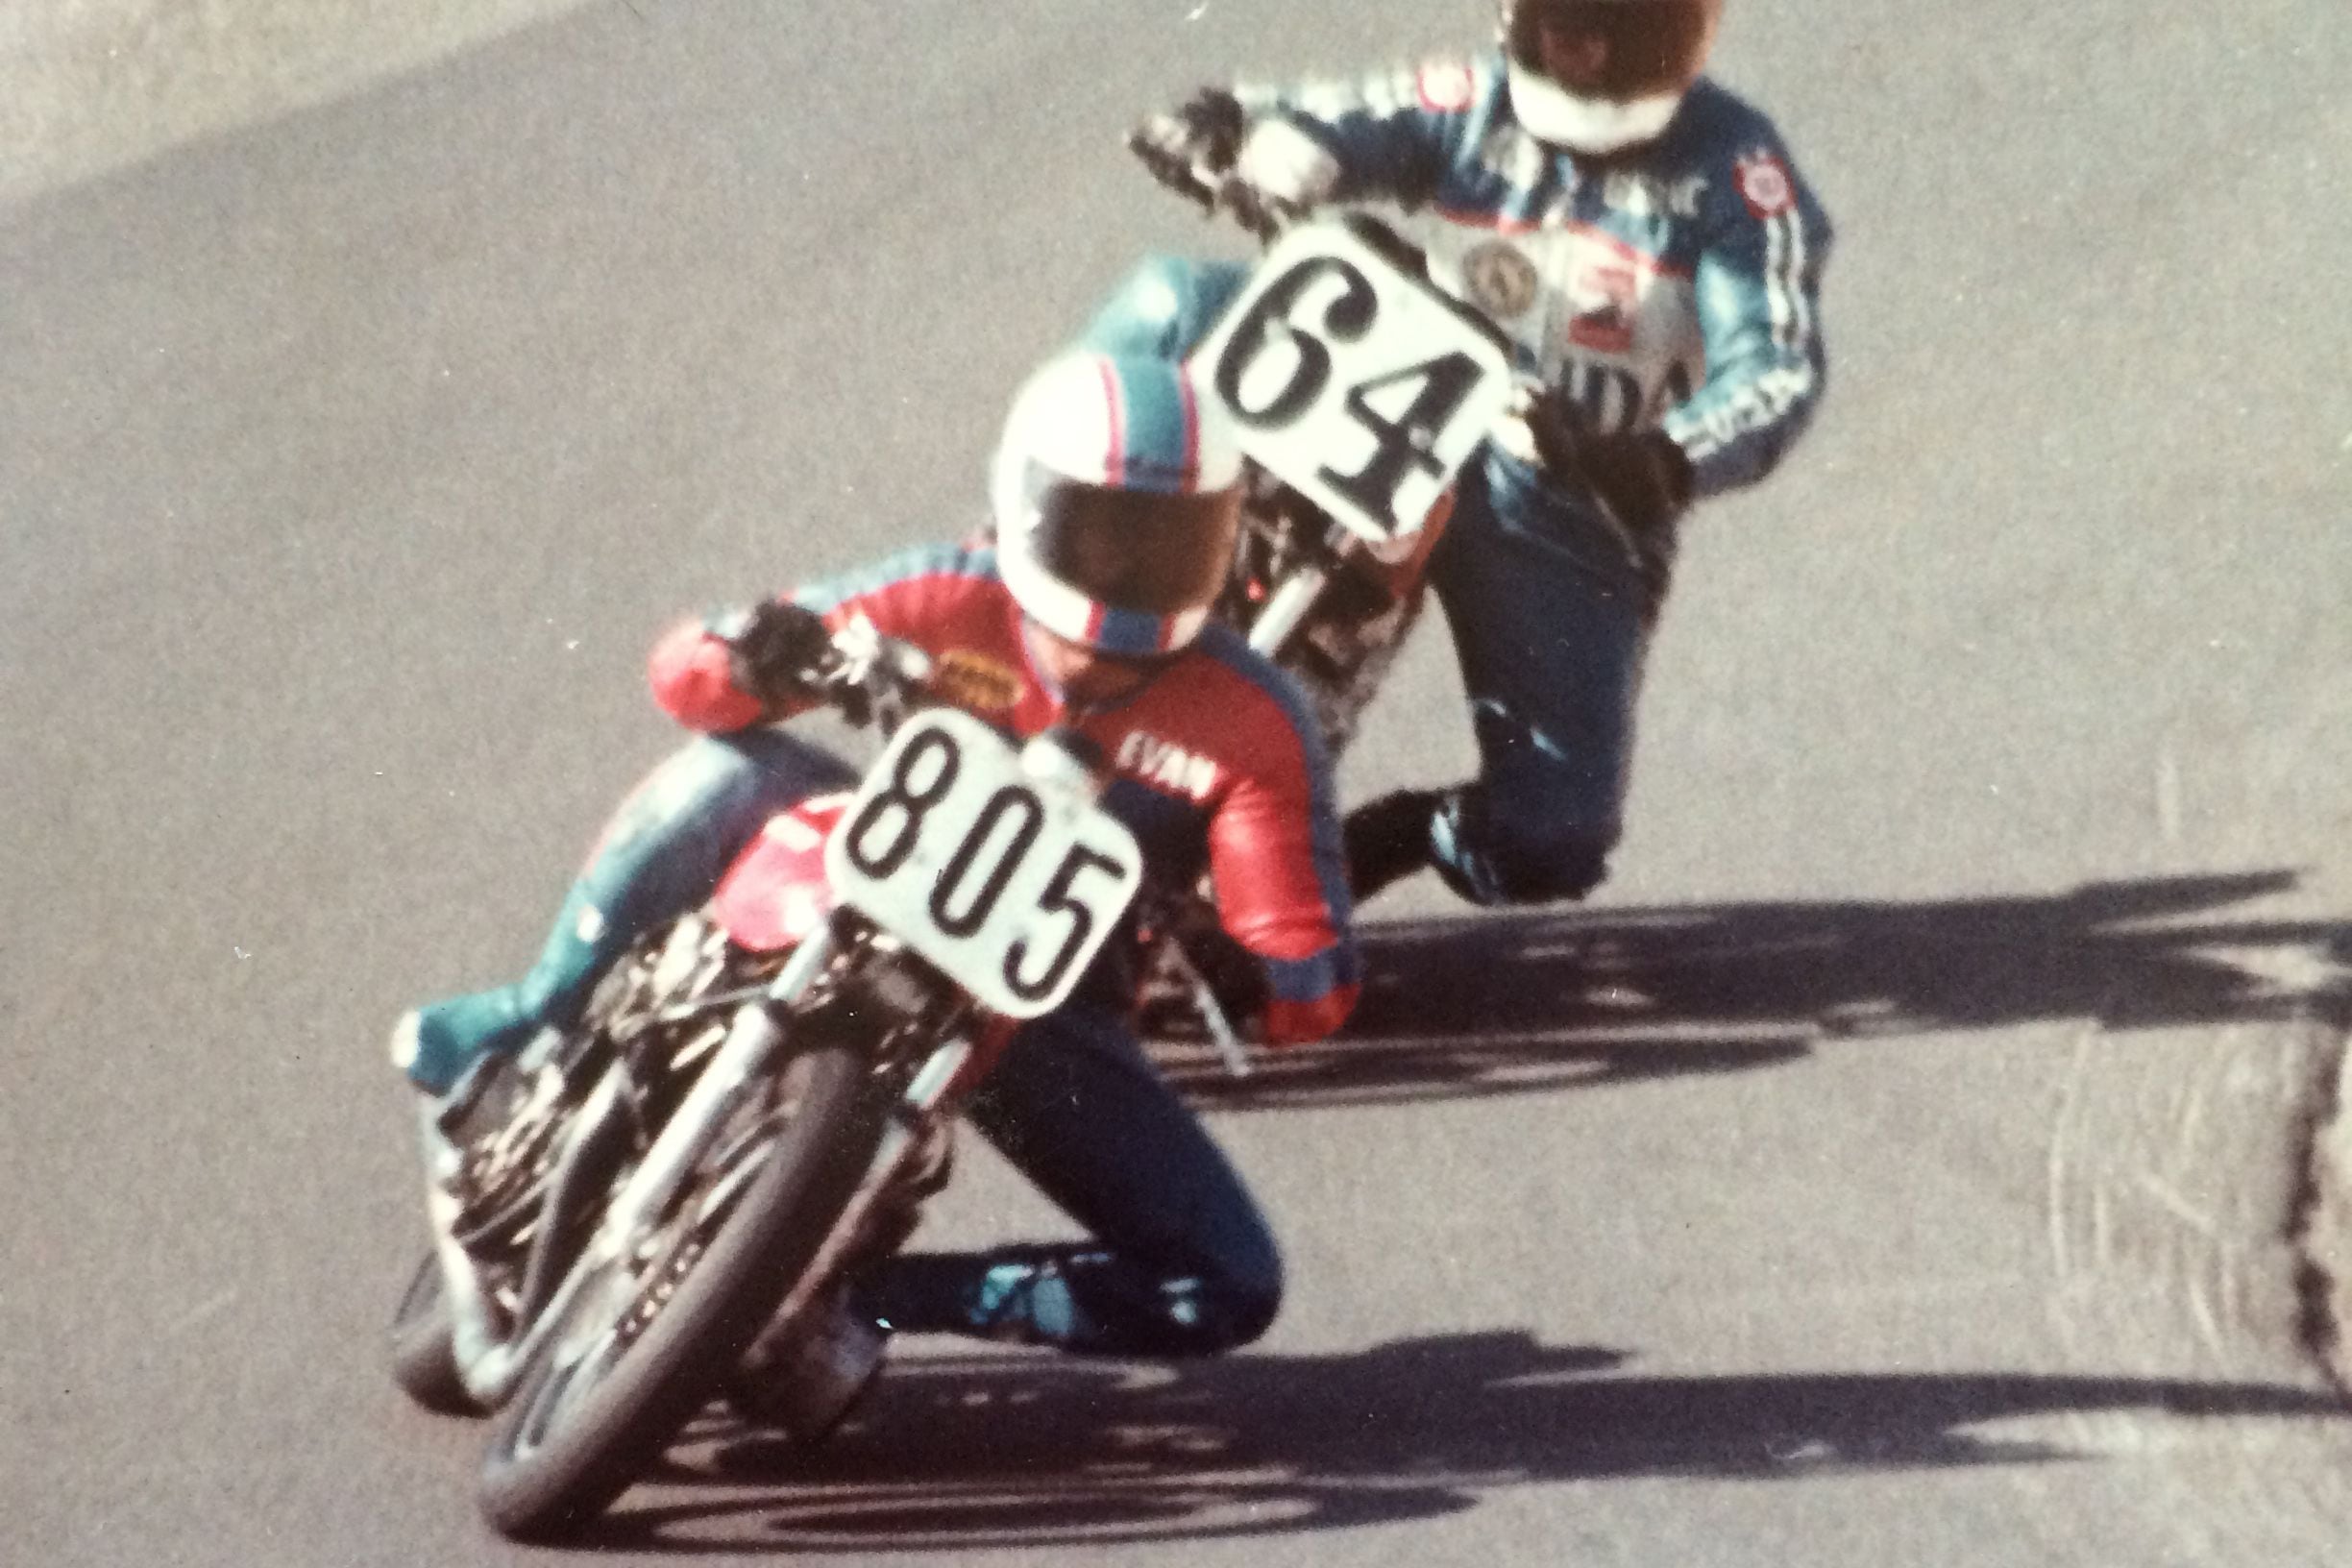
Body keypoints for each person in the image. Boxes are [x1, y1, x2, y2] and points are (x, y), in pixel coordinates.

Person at [389, 351, 1358, 1429]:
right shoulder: (948, 592)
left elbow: (1306, 965)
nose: (1129, 576)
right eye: (1100, 533)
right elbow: (688, 676)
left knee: (1225, 1282)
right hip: (857, 867)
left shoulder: (1252, 714)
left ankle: (861, 1296)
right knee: (733, 772)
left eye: (1169, 546)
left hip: (1034, 1007)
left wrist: (1260, 963)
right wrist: (755, 653)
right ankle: (529, 1016)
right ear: (1029, 507)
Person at [1115, 0, 1832, 905]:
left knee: (1553, 836)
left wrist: (1666, 458)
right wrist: (1237, 128)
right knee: (1172, 298)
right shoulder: (1471, 99)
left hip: (1570, 488)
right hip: (1391, 383)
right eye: (1557, 14)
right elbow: (1342, 119)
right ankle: (1011, 567)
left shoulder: (1740, 174)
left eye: (1609, 19)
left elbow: (1776, 368)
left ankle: (1392, 838)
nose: (1576, 40)